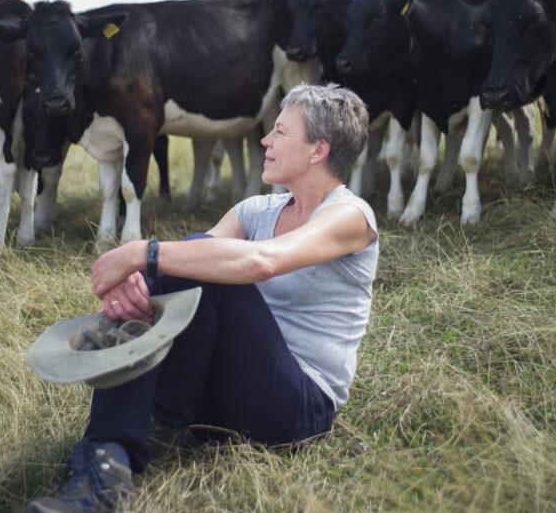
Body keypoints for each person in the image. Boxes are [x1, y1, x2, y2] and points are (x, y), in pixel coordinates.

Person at [26, 83, 378, 513]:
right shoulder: (256, 210)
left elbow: (261, 263)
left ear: (317, 150)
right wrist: (138, 280)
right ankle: (106, 464)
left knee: (193, 260)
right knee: (186, 262)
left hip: (296, 409)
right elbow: (193, 263)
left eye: (281, 133)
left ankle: (115, 460)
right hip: (221, 401)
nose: (265, 140)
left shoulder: (350, 216)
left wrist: (142, 253)